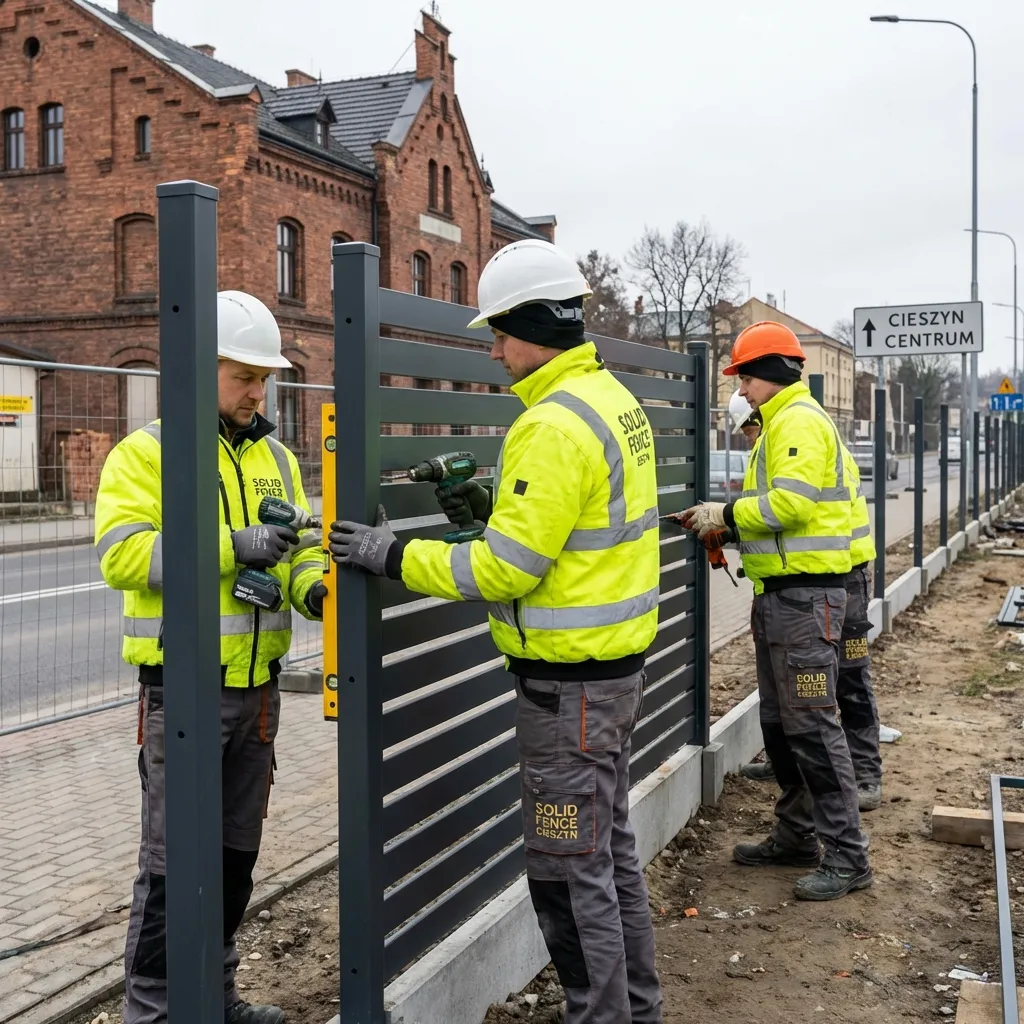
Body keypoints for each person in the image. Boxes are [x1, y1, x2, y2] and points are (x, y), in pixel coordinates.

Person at [327, 239, 663, 1024]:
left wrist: (394, 554)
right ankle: (635, 1011)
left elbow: (506, 572)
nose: (495, 350)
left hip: (566, 699)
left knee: (566, 876)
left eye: (500, 332)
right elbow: (572, 532)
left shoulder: (550, 425)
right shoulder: (613, 401)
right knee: (608, 860)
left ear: (532, 325)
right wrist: (489, 516)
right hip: (610, 682)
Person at [94, 290, 327, 1024]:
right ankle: (155, 1013)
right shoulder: (146, 455)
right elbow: (123, 555)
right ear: (198, 370)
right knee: (170, 869)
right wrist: (233, 548)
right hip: (182, 693)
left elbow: (298, 549)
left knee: (232, 863)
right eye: (243, 376)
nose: (259, 391)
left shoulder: (278, 459)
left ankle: (217, 1000)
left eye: (265, 377)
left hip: (258, 694)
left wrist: (315, 584)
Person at [680, 320, 872, 901]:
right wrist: (730, 528)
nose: (739, 391)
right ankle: (796, 836)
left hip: (807, 601)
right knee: (783, 728)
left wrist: (727, 514)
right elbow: (786, 519)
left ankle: (848, 857)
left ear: (760, 374)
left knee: (813, 727)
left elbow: (790, 504)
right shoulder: (782, 424)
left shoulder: (797, 422)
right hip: (781, 597)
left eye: (741, 379)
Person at [738, 443, 885, 812]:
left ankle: (866, 774)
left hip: (844, 579)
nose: (752, 434)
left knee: (849, 679)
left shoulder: (814, 449)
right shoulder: (780, 446)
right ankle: (789, 766)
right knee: (800, 693)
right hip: (828, 579)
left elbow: (795, 515)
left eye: (751, 428)